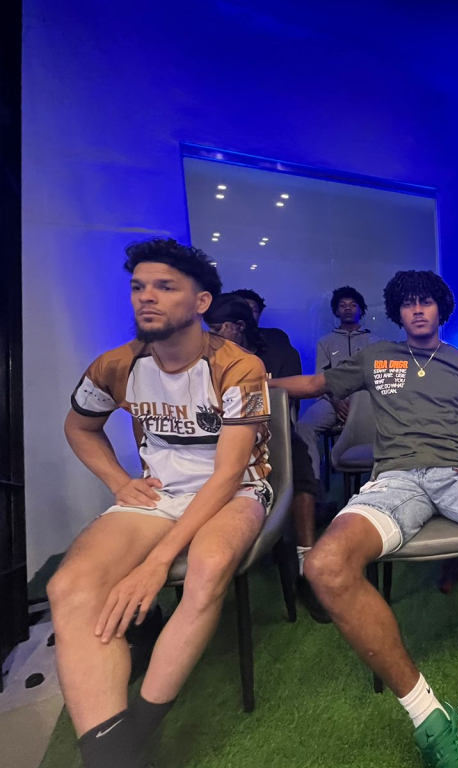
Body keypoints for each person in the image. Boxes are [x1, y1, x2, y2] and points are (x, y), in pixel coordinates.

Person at [271, 270, 458, 768]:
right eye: (408, 302)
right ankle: (429, 715)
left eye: (425, 301)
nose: (417, 309)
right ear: (397, 311)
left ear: (441, 309)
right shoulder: (377, 356)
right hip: (397, 480)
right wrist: (251, 382)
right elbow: (315, 383)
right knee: (324, 565)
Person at [49, 239, 273, 768]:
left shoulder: (239, 365)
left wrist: (155, 563)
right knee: (70, 587)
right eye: (138, 287)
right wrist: (118, 481)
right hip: (160, 492)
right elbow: (80, 427)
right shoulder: (115, 365)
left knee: (208, 565)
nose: (146, 297)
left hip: (236, 490)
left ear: (200, 302)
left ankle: (136, 732)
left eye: (165, 287)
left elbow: (228, 475)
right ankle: (109, 753)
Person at [203, 295, 329, 623]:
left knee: (299, 462)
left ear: (239, 326)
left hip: (271, 430)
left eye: (216, 329)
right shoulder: (204, 356)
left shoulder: (273, 348)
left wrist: (251, 388)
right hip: (216, 436)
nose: (209, 335)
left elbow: (283, 400)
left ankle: (306, 566)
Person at [295, 286, 380, 483]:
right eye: (343, 305)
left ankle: (378, 483)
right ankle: (312, 483)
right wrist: (335, 400)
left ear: (361, 310)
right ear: (336, 311)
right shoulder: (326, 342)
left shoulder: (374, 341)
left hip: (366, 403)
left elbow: (377, 377)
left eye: (353, 305)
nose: (348, 308)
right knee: (304, 426)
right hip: (332, 400)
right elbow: (320, 375)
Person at [228, 288, 296, 363]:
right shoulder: (221, 342)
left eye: (254, 310)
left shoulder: (276, 339)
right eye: (243, 309)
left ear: (259, 315)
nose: (249, 313)